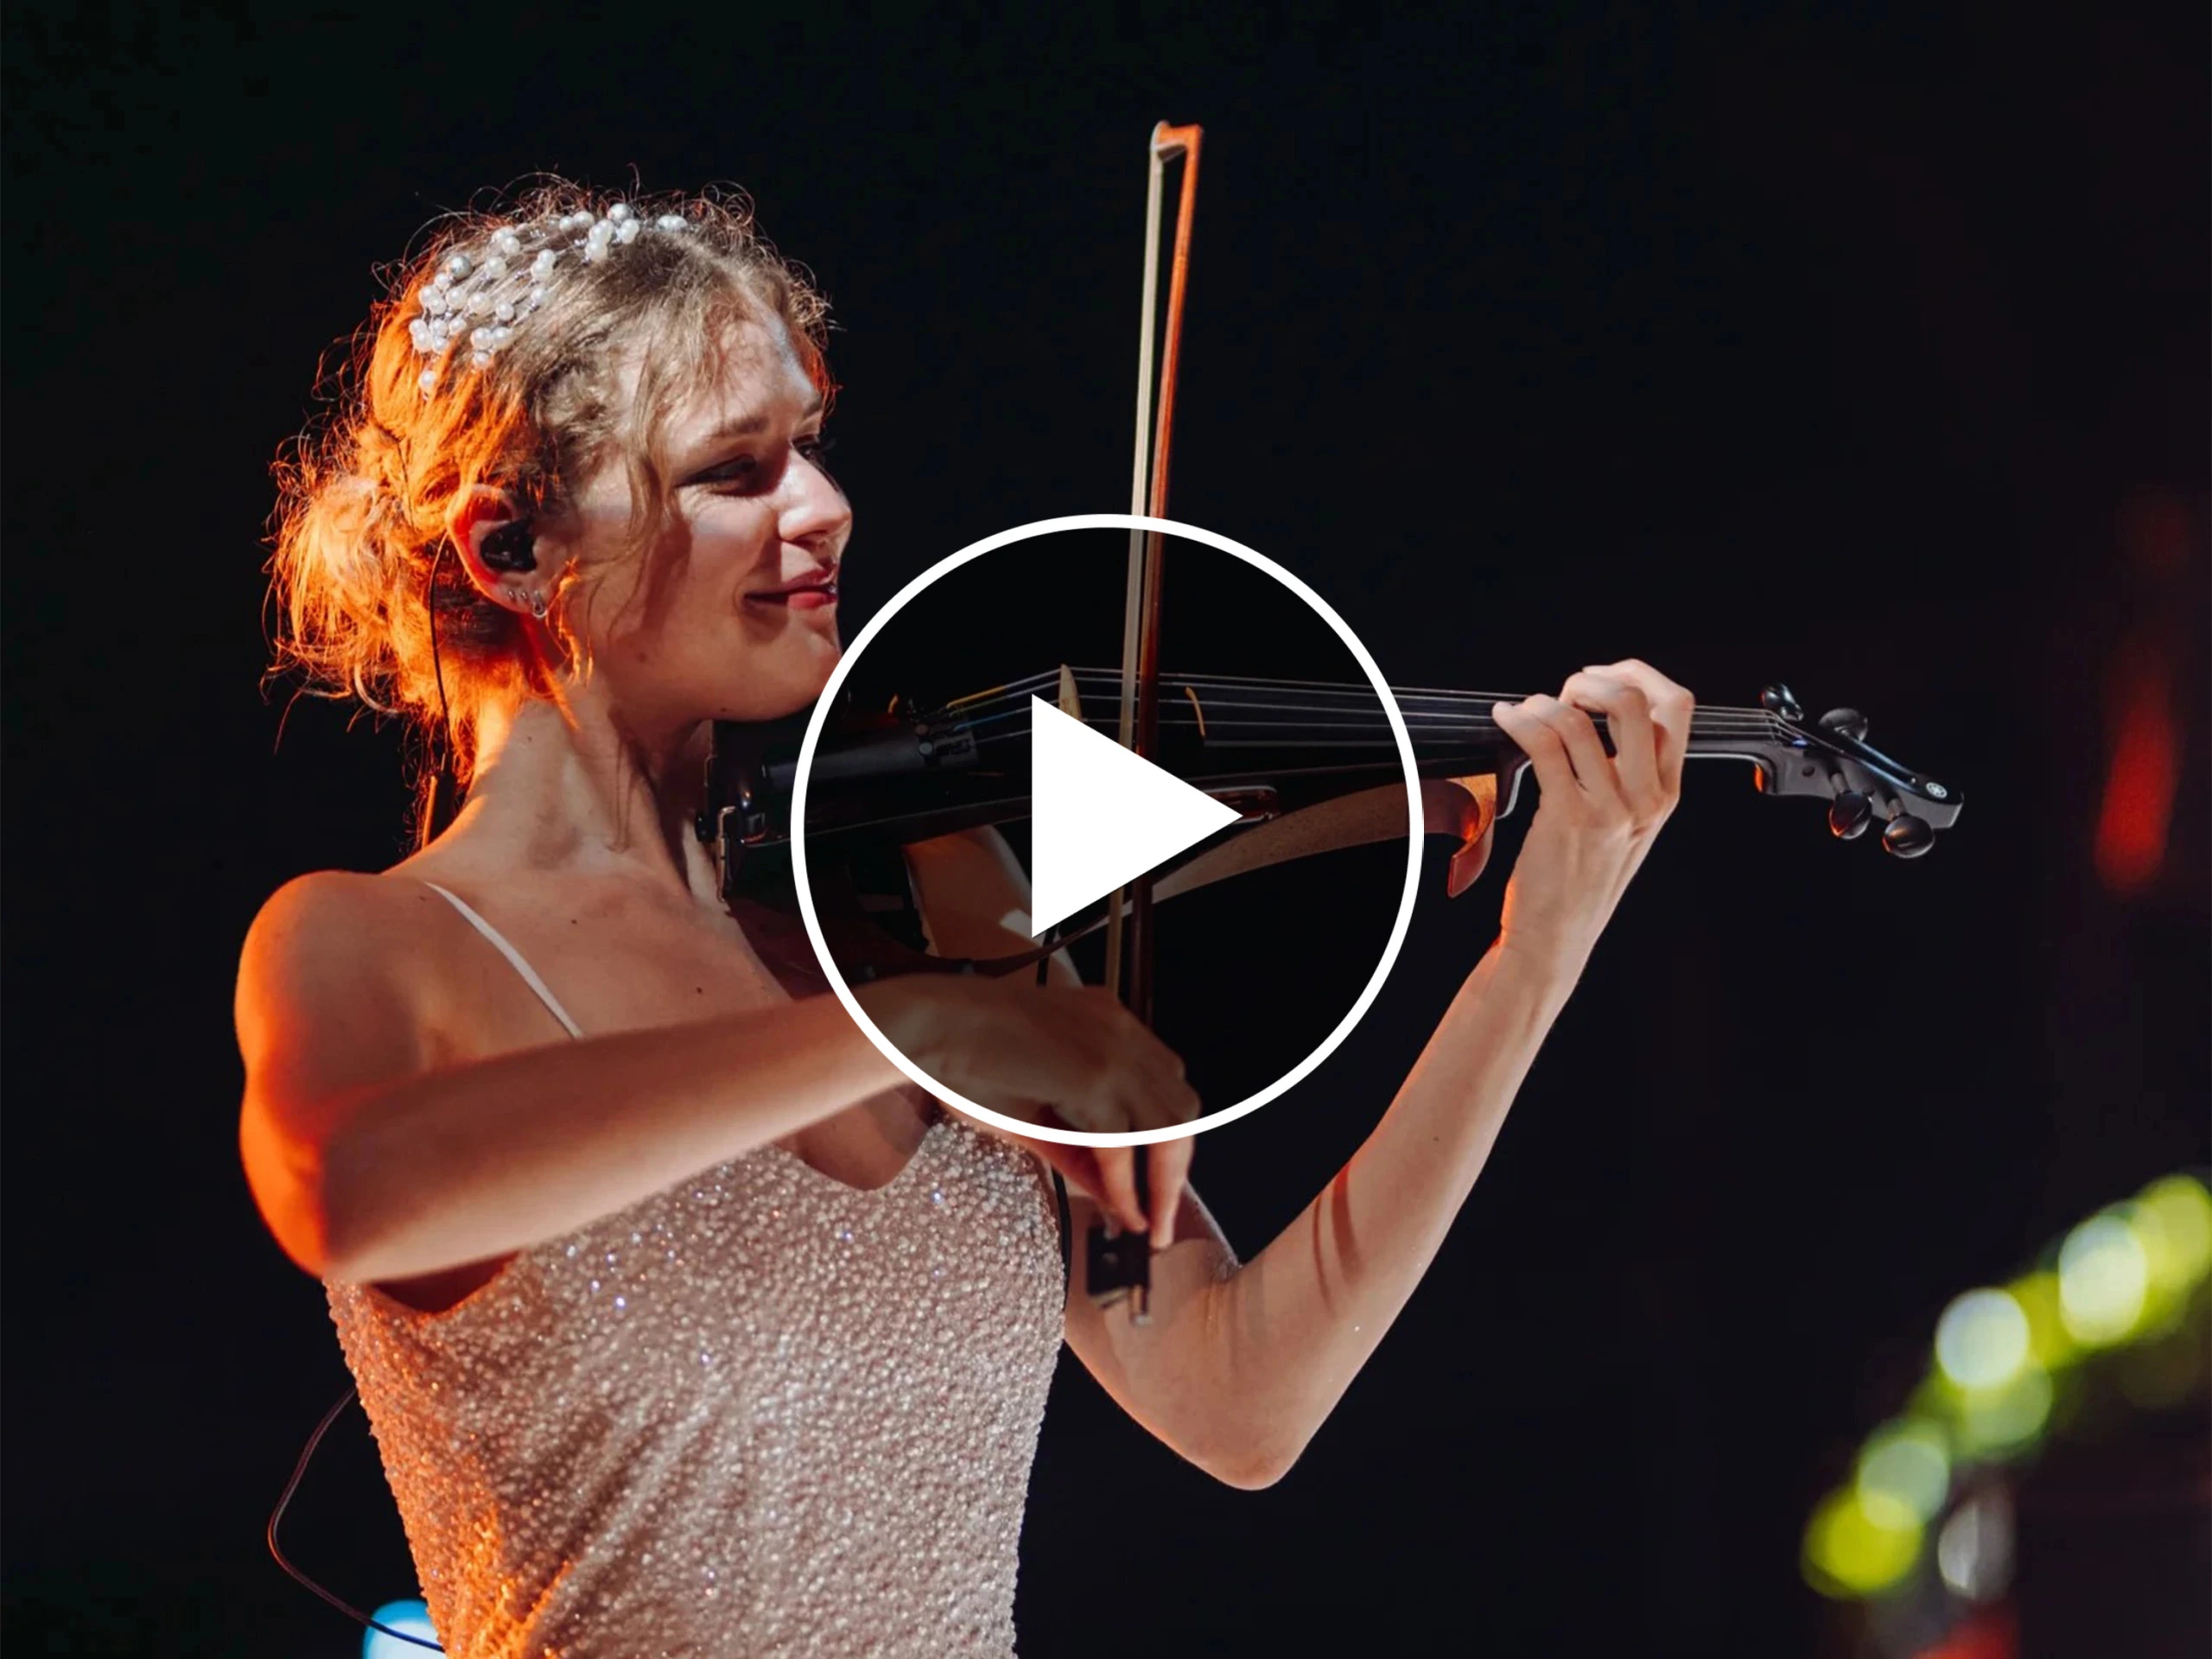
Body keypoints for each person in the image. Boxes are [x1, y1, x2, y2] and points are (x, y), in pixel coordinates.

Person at [238, 182, 1694, 1656]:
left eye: (807, 445)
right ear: (513, 548)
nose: (823, 507)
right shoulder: (376, 943)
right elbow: (351, 1191)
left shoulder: (902, 922)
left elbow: (1243, 1401)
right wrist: (914, 1029)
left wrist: (1536, 958)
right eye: (735, 470)